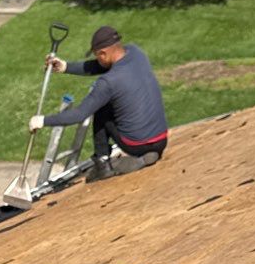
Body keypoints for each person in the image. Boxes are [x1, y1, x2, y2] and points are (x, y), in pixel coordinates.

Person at [30, 24, 169, 180]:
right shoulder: (136, 53)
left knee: (102, 108)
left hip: (135, 145)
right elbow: (99, 66)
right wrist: (65, 67)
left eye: (97, 55)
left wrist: (42, 120)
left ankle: (103, 164)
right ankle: (148, 155)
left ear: (103, 53)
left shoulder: (108, 82)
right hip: (161, 140)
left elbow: (79, 115)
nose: (97, 59)